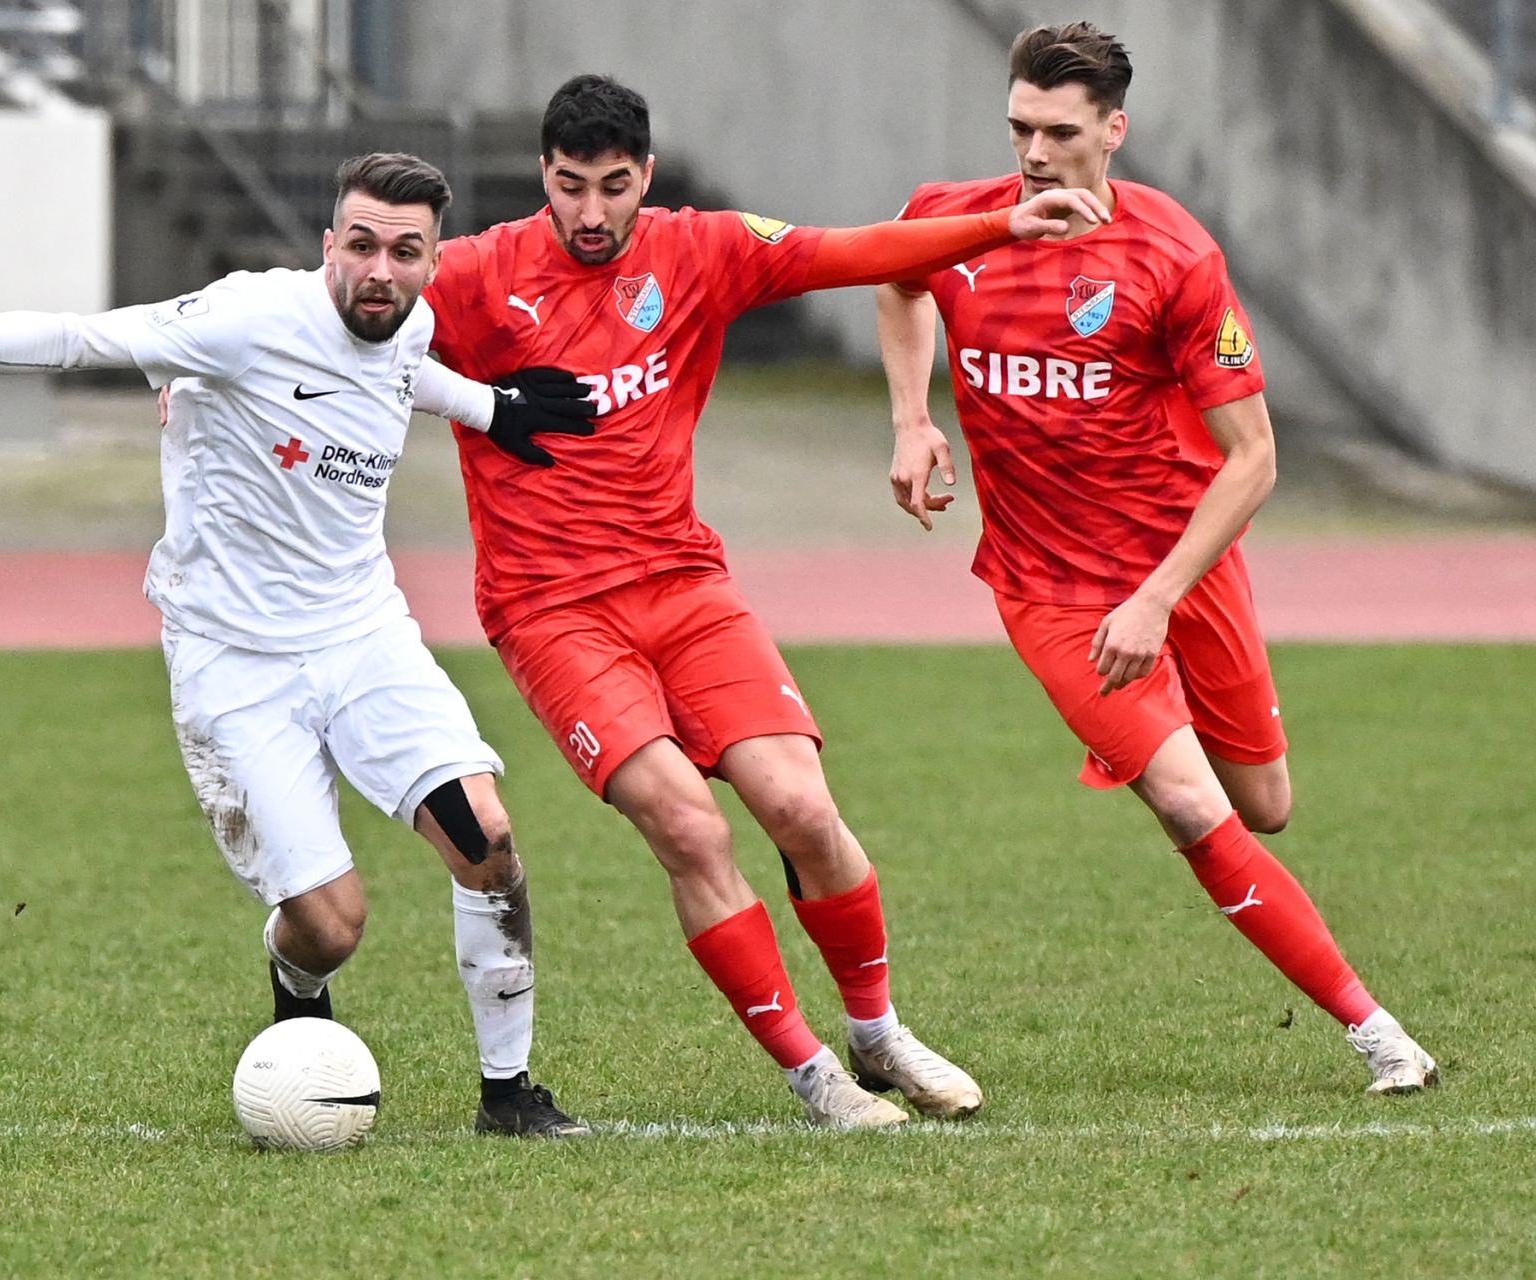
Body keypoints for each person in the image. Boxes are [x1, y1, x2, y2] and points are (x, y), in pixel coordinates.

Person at [0, 152, 599, 1135]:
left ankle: (508, 1094)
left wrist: (494, 408)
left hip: (362, 633)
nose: (381, 270)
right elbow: (87, 338)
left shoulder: (409, 320)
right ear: (330, 243)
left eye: (407, 251)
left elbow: (401, 372)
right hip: (233, 659)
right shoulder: (247, 319)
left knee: (490, 845)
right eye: (364, 244)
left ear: (430, 260)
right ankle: (298, 984)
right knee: (332, 925)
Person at [421, 75, 1109, 1128]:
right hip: (552, 608)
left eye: (613, 187)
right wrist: (194, 375)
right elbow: (330, 314)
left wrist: (1001, 227)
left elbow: (853, 251)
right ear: (542, 181)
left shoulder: (699, 248)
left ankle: (876, 1032)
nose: (592, 213)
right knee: (688, 826)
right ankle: (811, 1075)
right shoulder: (474, 275)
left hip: (686, 582)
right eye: (570, 188)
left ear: (645, 177)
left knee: (800, 807)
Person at [875, 23, 1438, 1094]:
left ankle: (1302, 926)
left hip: (1183, 566)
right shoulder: (957, 220)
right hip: (1050, 589)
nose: (1034, 153)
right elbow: (899, 281)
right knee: (1189, 804)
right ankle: (1380, 1035)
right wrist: (912, 417)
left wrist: (1157, 596)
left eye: (1059, 131)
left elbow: (1255, 458)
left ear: (1115, 130)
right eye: (1019, 128)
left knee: (1263, 803)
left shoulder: (1174, 254)